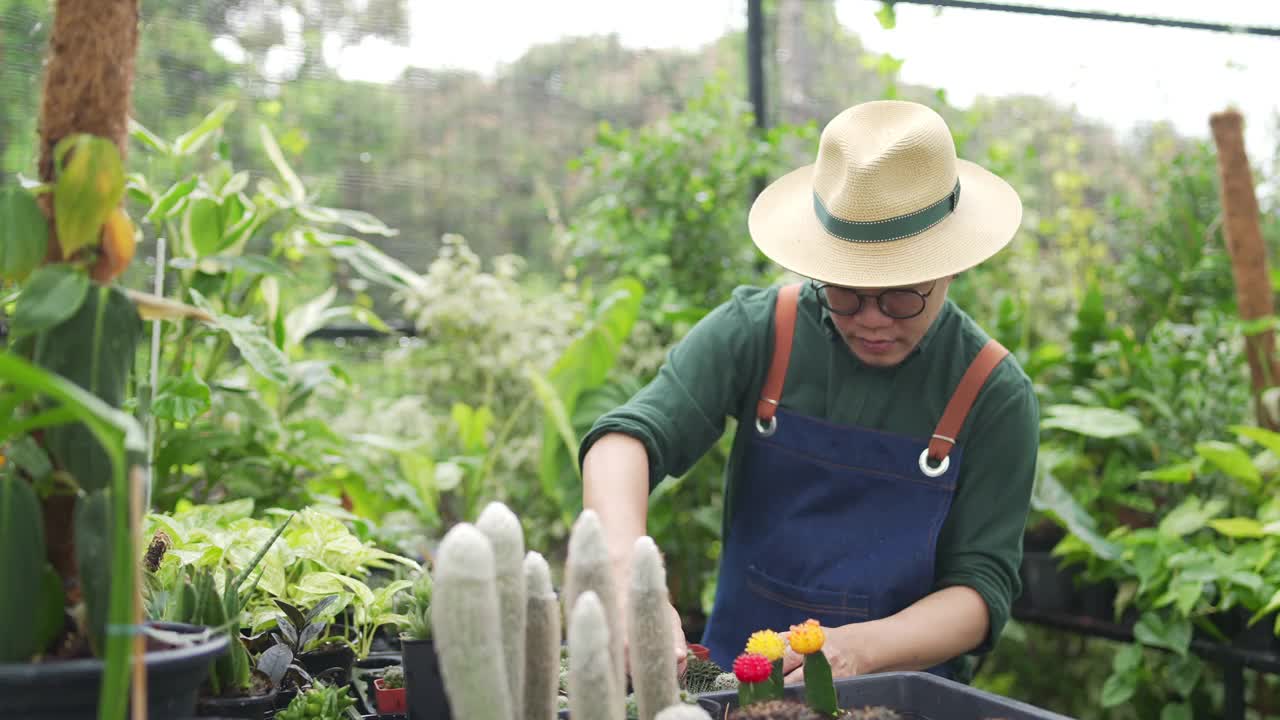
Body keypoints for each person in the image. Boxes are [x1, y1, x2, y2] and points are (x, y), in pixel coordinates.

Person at [579, 100, 1039, 685]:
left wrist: (857, 652)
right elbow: (625, 439)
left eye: (901, 296)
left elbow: (980, 590)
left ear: (952, 266)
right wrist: (627, 577)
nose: (871, 319)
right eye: (846, 291)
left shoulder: (993, 393)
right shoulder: (762, 331)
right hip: (735, 685)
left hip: (896, 695)